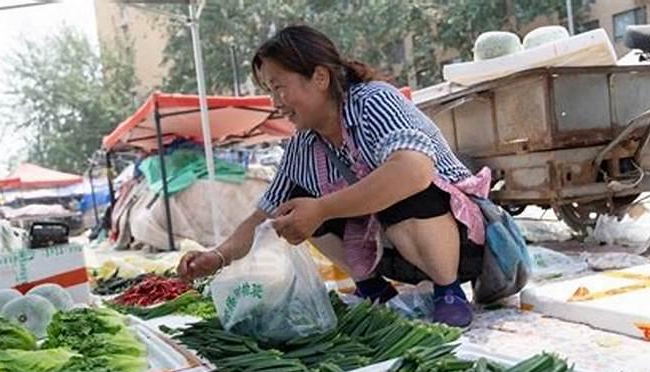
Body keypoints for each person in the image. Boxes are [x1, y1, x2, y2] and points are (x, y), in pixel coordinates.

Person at [178, 25, 504, 327]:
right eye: (269, 90)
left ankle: (447, 290)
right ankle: (373, 290)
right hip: (394, 254)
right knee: (296, 210)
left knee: (397, 185)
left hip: (464, 245)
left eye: (279, 87)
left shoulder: (374, 101)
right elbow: (263, 216)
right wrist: (216, 256)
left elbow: (414, 171)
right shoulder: (303, 146)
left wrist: (323, 208)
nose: (275, 102)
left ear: (320, 77)